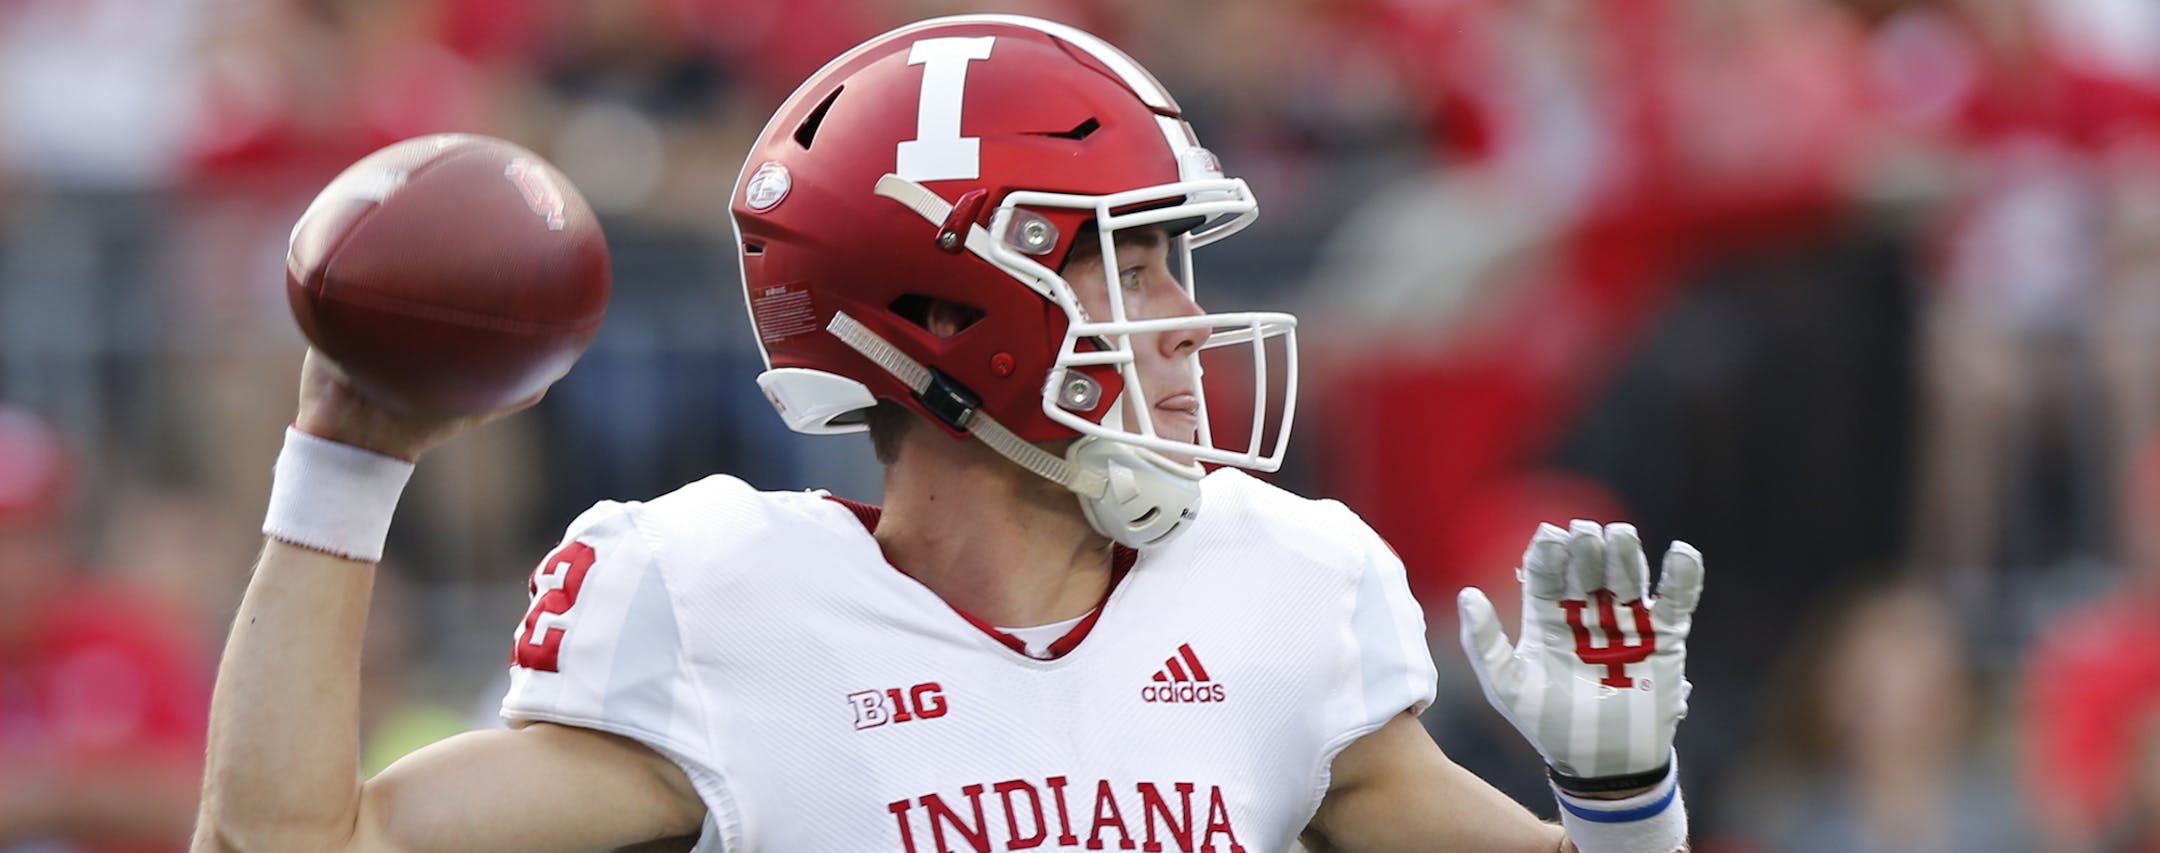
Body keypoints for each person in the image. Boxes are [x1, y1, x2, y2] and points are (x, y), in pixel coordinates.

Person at [194, 14, 1705, 853]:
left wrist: (1625, 803)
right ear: (946, 303)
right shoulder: (722, 602)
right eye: (1130, 260)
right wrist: (350, 453)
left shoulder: (1282, 587)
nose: (1184, 318)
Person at [0, 404, 211, 852]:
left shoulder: (129, 638)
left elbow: (202, 795)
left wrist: (44, 790)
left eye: (32, 534)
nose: (13, 566)